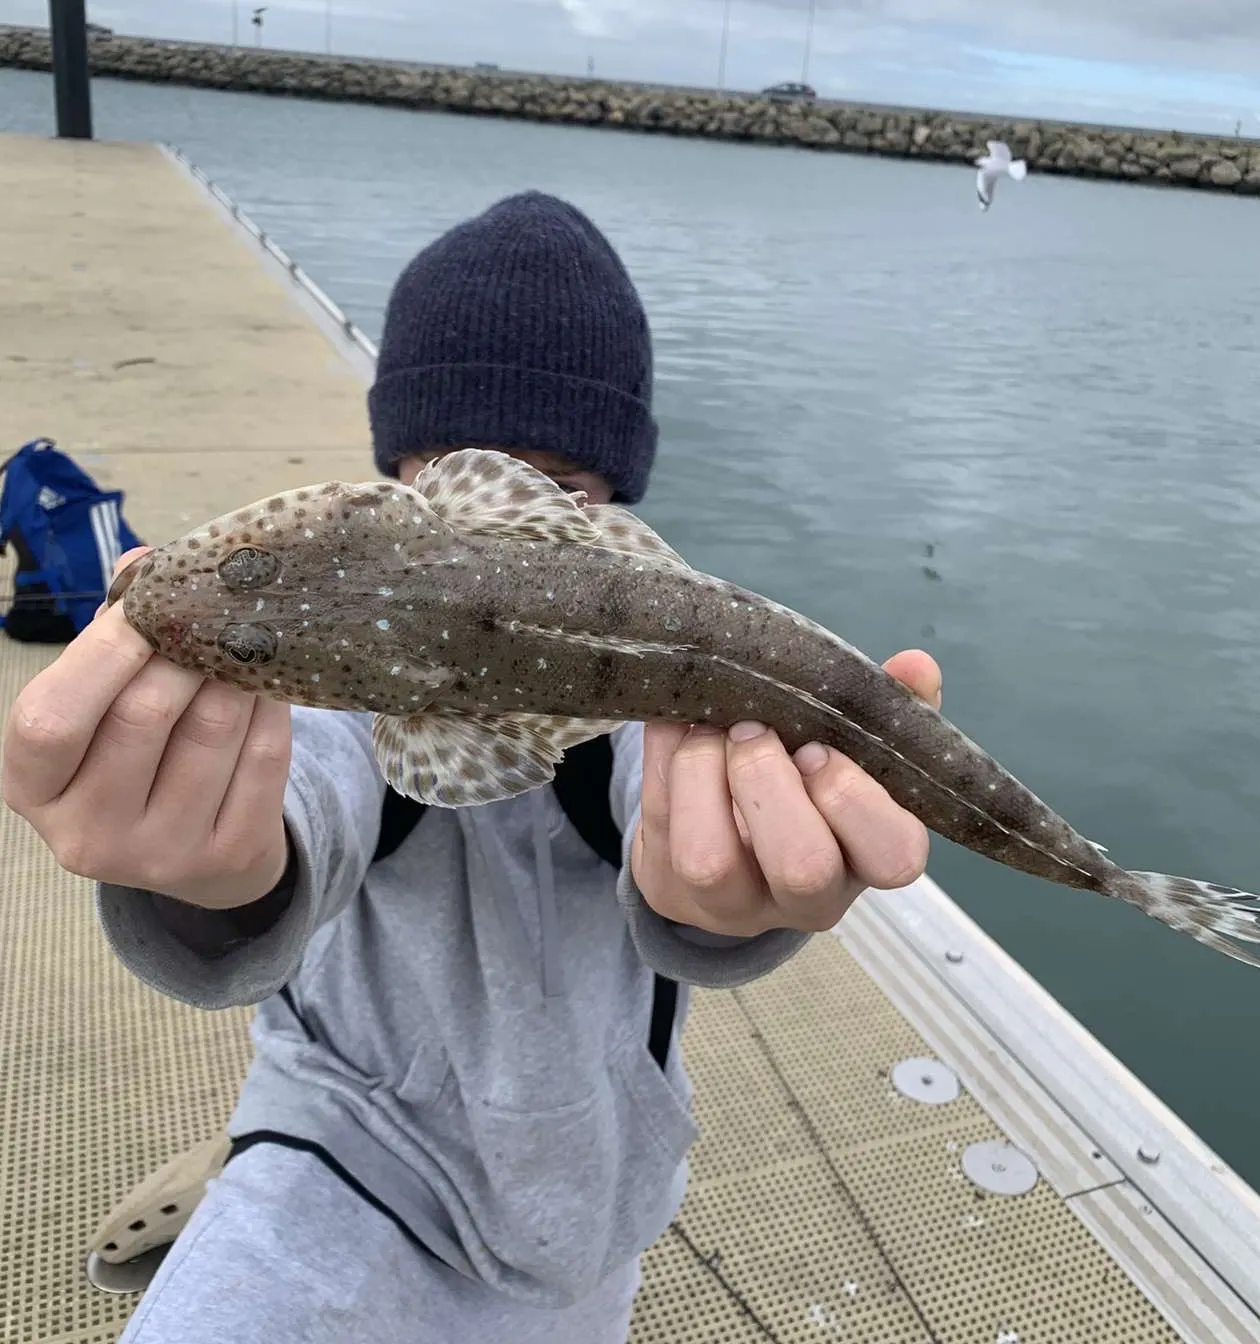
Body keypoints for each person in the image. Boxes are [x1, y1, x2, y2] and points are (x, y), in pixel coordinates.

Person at [2, 191, 942, 1343]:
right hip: (340, 1158)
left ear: (614, 513)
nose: (509, 521)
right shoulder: (333, 704)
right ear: (398, 480)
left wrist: (733, 897)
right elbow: (308, 792)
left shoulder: (651, 721)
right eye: (455, 474)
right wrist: (202, 876)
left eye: (562, 494)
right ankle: (248, 1162)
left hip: (597, 1196)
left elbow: (677, 826)